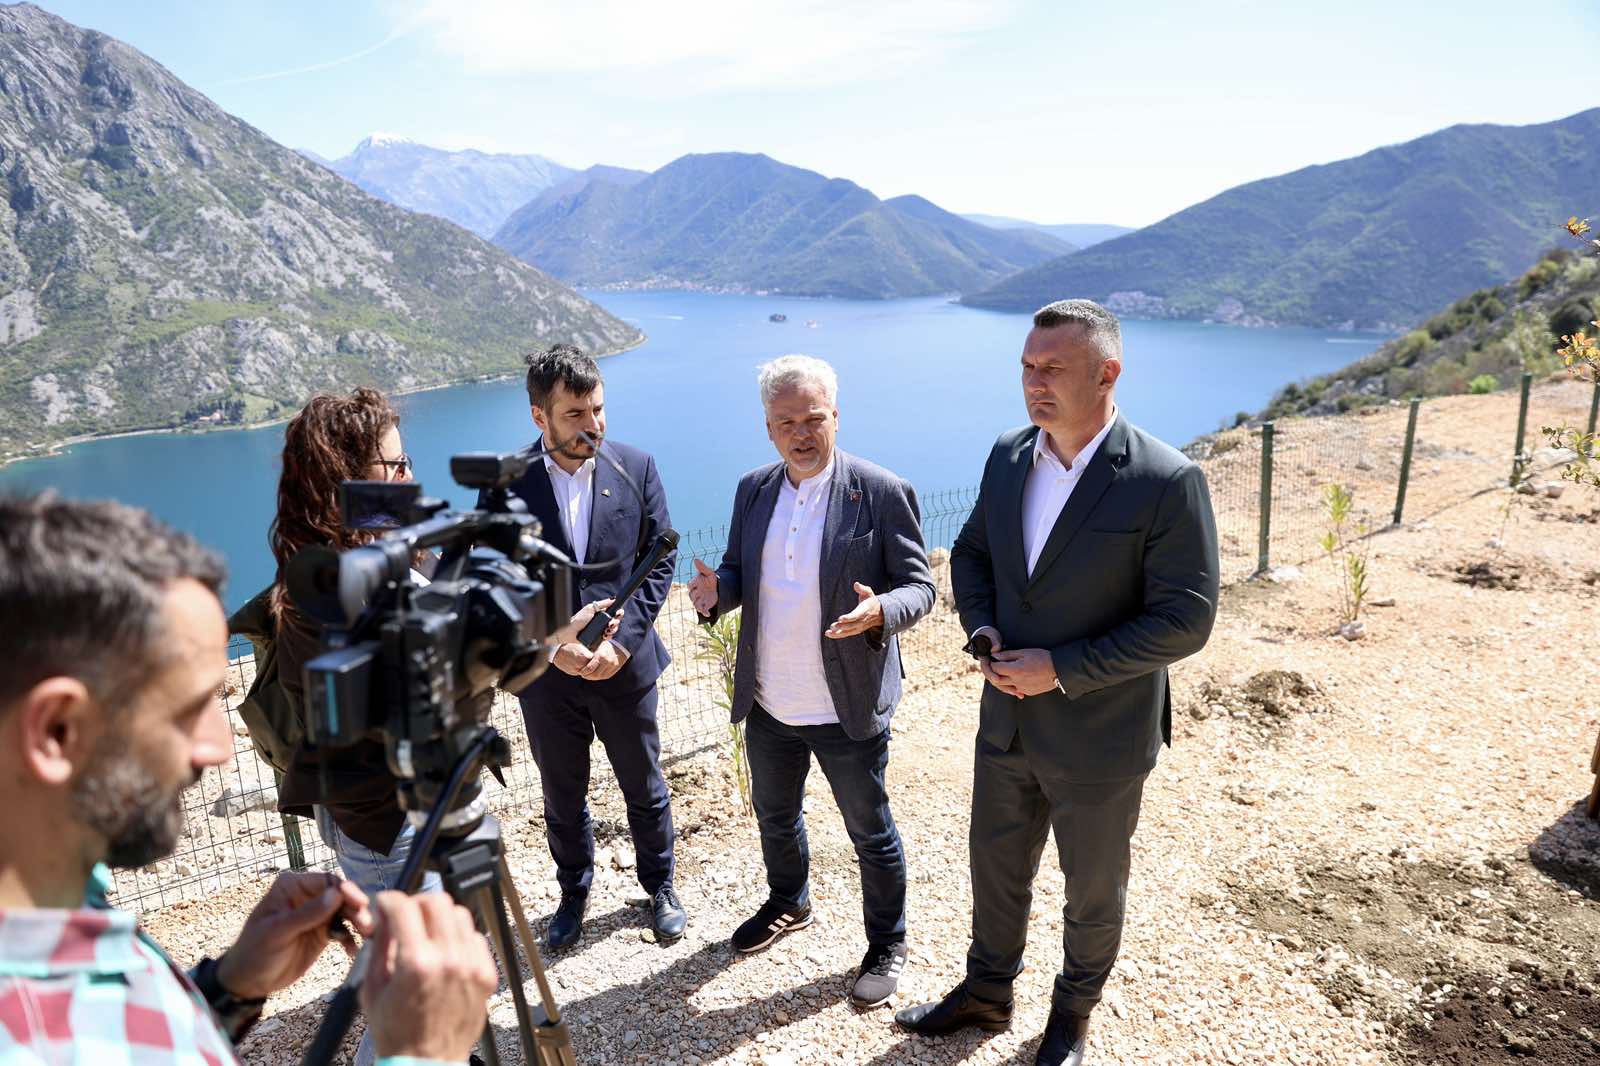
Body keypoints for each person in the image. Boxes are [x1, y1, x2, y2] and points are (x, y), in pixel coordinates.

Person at [0, 493, 498, 1066]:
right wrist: (421, 1054)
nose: (219, 747)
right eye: (190, 708)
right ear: (56, 730)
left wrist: (228, 986)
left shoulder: (56, 901)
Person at [894, 300, 1220, 1065]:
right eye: (1027, 367)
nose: (1034, 383)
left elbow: (1186, 621)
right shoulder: (1009, 455)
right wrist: (982, 630)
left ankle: (1071, 1019)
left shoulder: (1166, 479)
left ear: (1107, 373)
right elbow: (973, 553)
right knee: (995, 869)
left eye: (1053, 369)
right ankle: (986, 992)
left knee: (1092, 890)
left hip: (1103, 737)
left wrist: (1062, 669)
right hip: (1006, 721)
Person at [688, 354, 935, 1009]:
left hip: (846, 702)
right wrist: (716, 594)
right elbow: (739, 573)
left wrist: (882, 610)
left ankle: (887, 943)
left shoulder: (880, 491)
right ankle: (788, 901)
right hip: (770, 699)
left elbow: (920, 587)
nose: (800, 433)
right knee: (776, 815)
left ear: (836, 417)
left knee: (870, 833)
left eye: (813, 419)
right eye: (785, 422)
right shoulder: (753, 489)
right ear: (768, 427)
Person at [500, 344, 686, 950]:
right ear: (540, 416)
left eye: (598, 409)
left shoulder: (638, 466)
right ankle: (573, 893)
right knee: (562, 795)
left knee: (645, 787)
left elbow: (660, 560)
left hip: (624, 668)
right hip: (547, 676)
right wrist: (554, 646)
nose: (593, 425)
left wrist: (623, 645)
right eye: (575, 414)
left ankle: (660, 887)